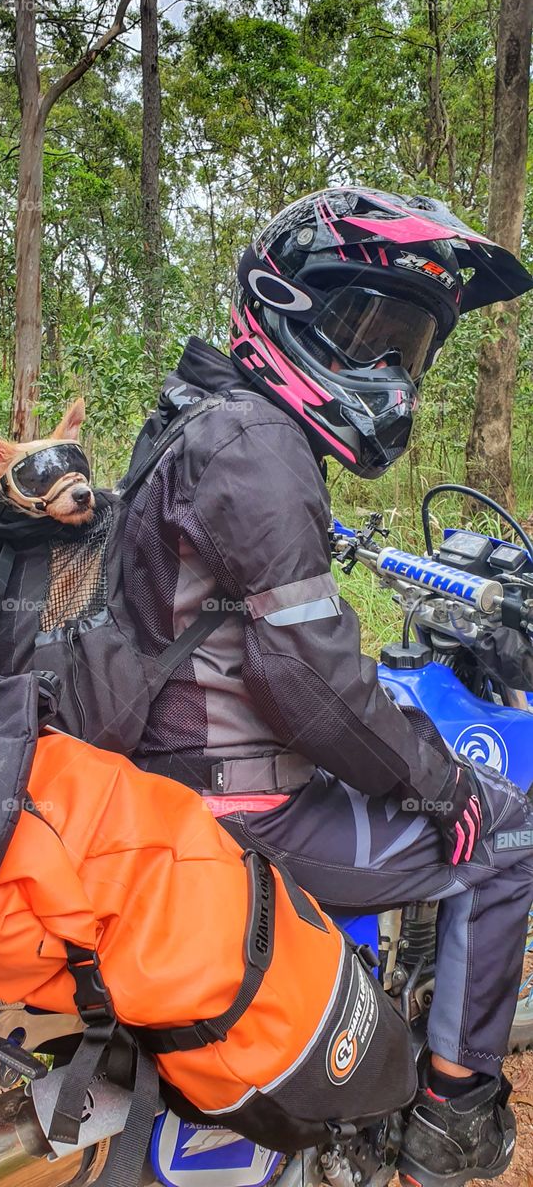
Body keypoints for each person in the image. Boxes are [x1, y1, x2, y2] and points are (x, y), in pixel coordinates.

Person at [122, 187, 533, 1187]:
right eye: (365, 331)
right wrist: (447, 788)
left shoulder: (204, 424)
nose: (387, 373)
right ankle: (449, 1119)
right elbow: (303, 670)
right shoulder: (257, 442)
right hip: (235, 799)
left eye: (406, 347)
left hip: (166, 769)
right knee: (507, 834)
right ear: (280, 307)